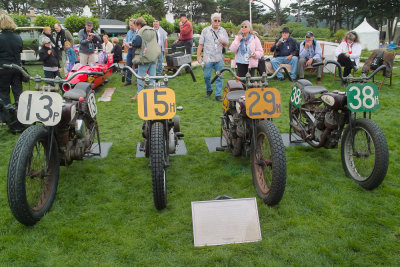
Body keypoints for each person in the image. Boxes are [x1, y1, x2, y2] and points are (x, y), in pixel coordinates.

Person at [197, 13, 229, 101]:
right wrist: (198, 56)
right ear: (211, 20)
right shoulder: (205, 30)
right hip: (208, 58)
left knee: (219, 76)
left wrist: (223, 42)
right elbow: (200, 45)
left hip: (219, 58)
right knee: (206, 76)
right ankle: (209, 89)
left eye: (219, 20)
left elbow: (227, 44)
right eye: (215, 20)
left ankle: (218, 95)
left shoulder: (223, 31)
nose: (217, 22)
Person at [130, 17, 161, 100]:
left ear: (139, 25)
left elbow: (136, 43)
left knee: (140, 77)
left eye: (136, 25)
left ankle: (139, 95)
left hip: (145, 57)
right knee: (152, 76)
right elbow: (156, 41)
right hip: (154, 56)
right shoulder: (153, 30)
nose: (136, 27)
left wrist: (131, 44)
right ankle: (152, 94)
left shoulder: (141, 32)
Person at [0, 13, 23, 106]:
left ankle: (7, 116)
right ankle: (20, 113)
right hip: (17, 67)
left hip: (4, 67)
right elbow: (20, 50)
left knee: (3, 93)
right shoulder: (18, 37)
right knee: (18, 92)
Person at [123, 18, 137, 86]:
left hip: (136, 50)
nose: (130, 27)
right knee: (128, 65)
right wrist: (126, 43)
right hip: (130, 50)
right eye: (129, 25)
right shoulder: (129, 32)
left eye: (131, 25)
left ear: (135, 24)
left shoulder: (138, 32)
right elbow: (126, 40)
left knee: (137, 65)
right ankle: (128, 80)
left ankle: (138, 80)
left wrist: (131, 44)